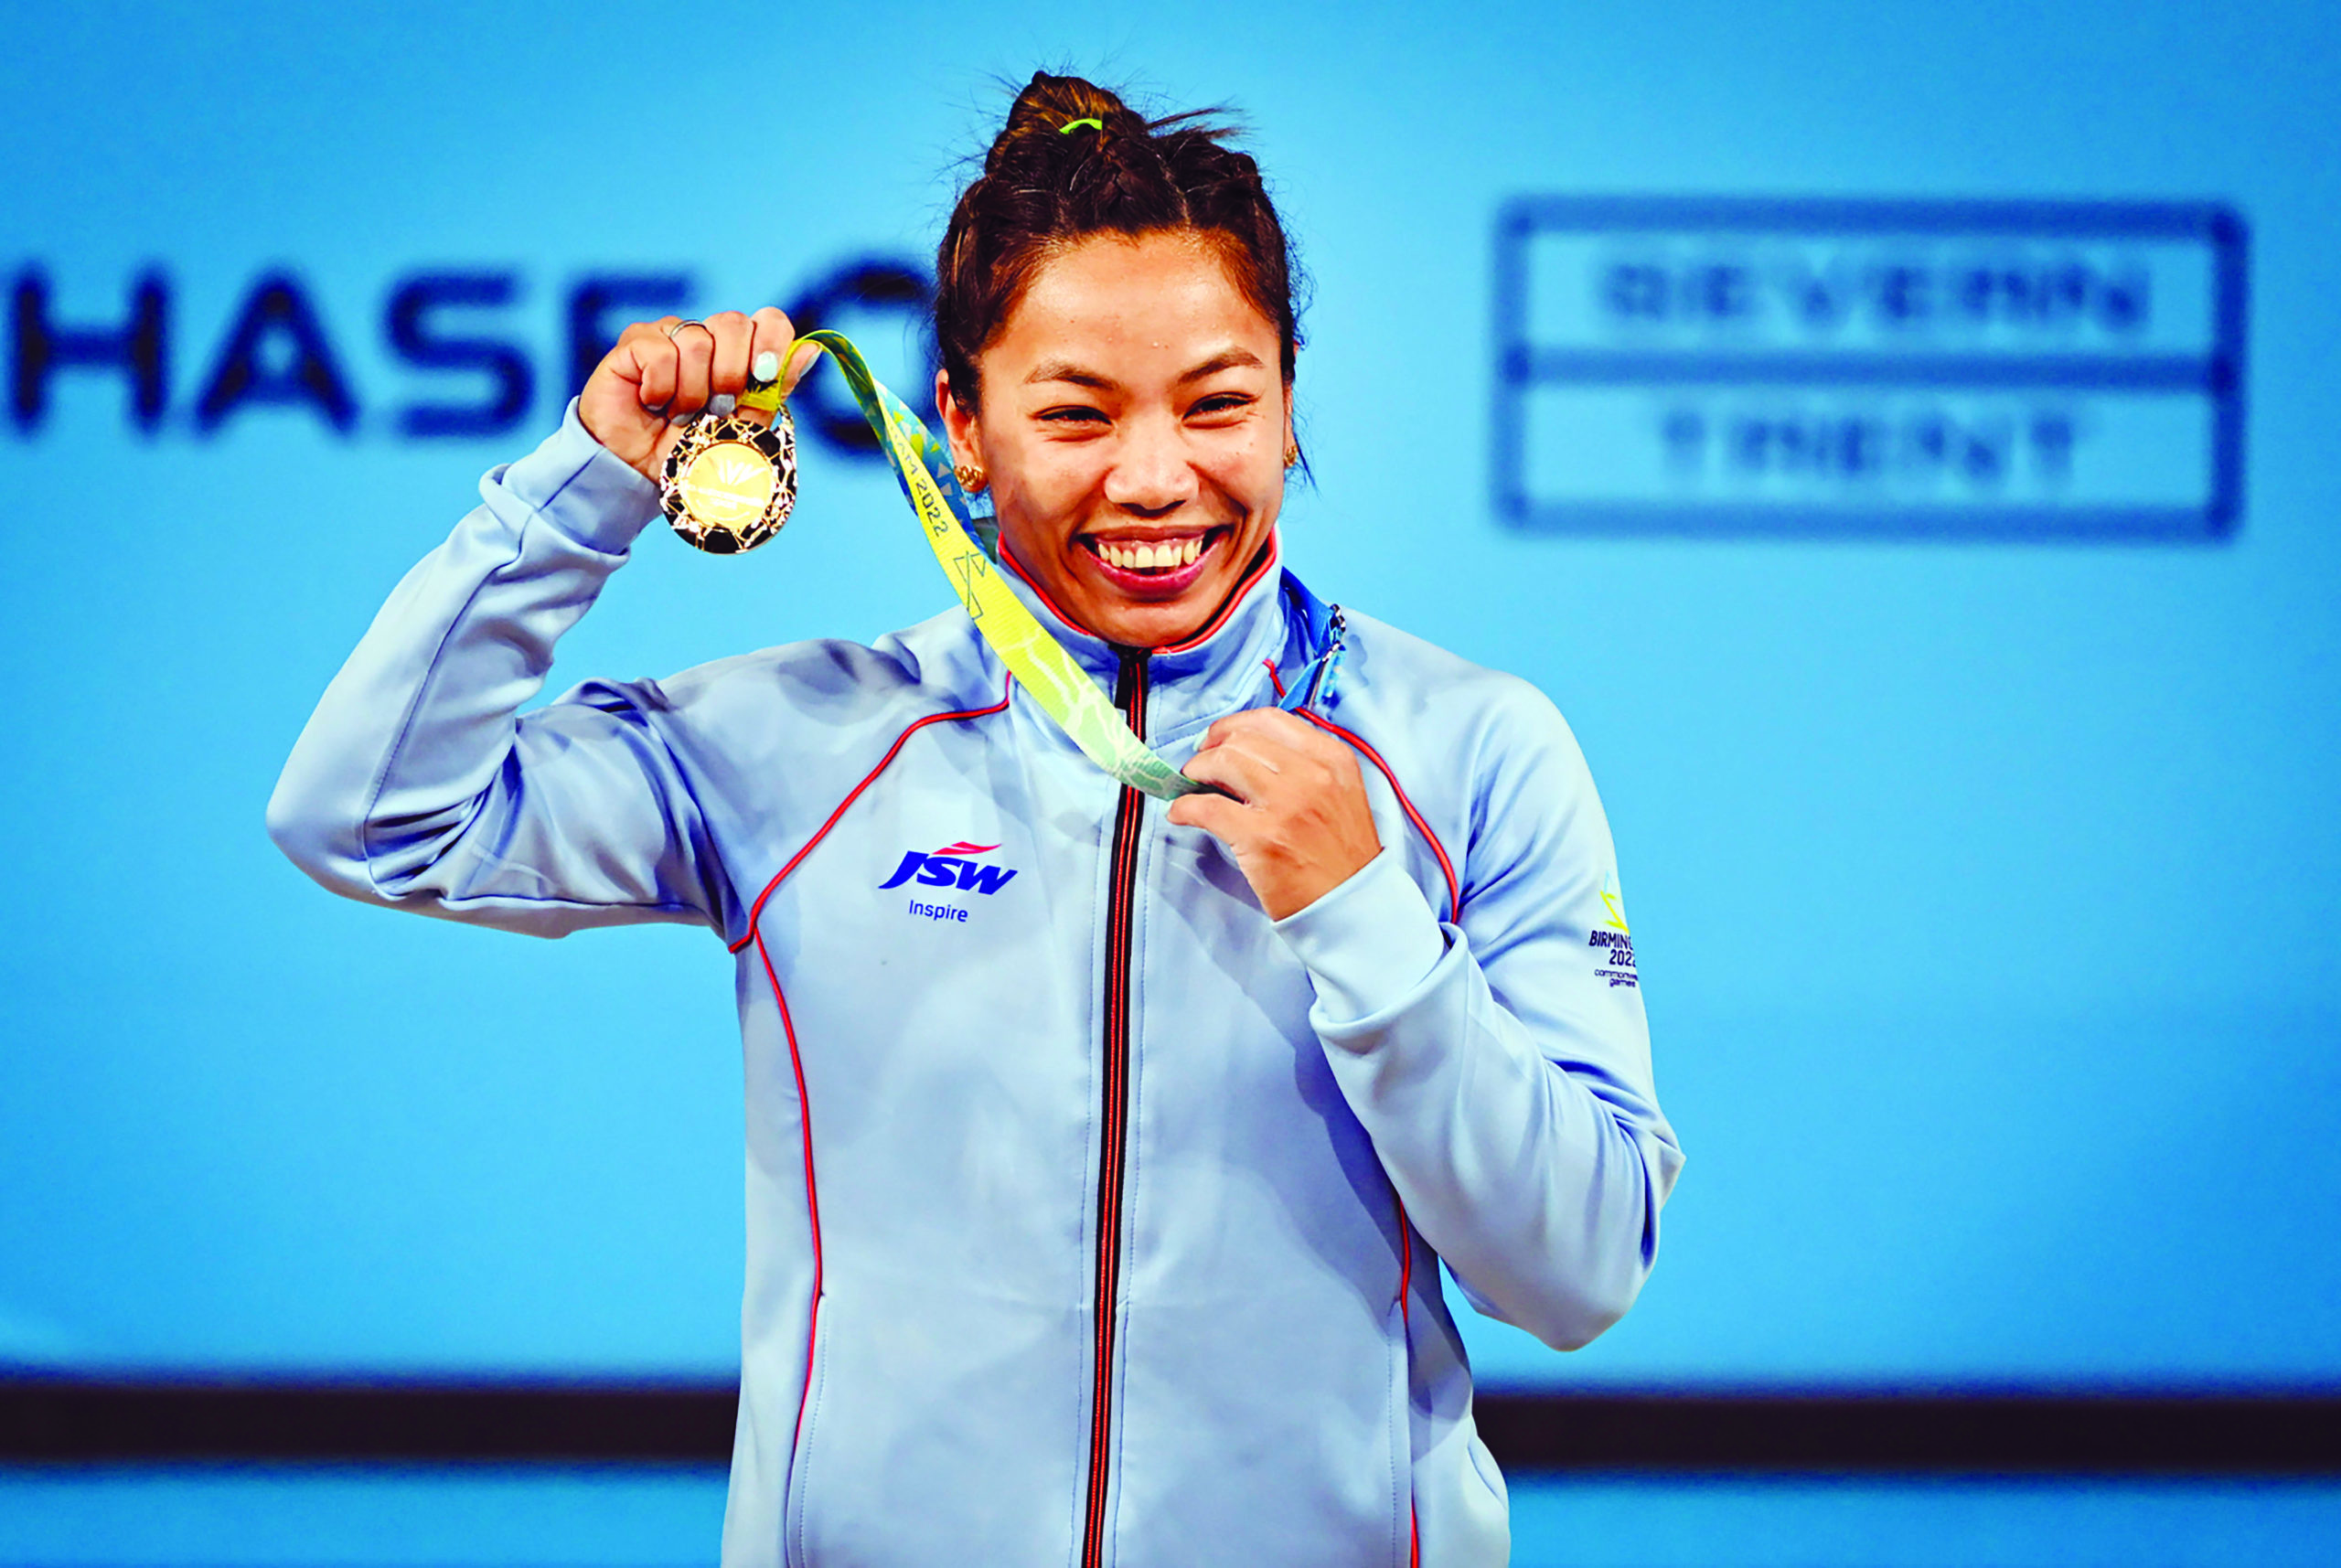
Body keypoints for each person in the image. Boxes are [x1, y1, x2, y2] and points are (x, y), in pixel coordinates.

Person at [268, 71, 1682, 1568]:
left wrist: (1366, 921)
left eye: (1220, 402)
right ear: (957, 422)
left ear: (1288, 399)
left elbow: (1579, 1272)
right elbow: (366, 818)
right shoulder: (814, 747)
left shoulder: (1467, 751)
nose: (1157, 477)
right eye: (1077, 412)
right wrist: (584, 489)